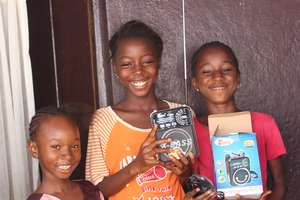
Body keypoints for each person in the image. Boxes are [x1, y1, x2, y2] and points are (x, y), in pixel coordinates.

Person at [85, 20, 194, 200]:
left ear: (158, 64)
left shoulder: (181, 114)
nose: (138, 71)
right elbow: (96, 192)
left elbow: (195, 181)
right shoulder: (104, 120)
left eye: (147, 62)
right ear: (115, 69)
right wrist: (137, 165)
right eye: (127, 64)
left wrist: (183, 173)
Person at [191, 41, 286, 200]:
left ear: (238, 77)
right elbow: (191, 183)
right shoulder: (191, 130)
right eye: (207, 71)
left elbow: (280, 184)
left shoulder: (264, 124)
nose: (218, 77)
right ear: (195, 83)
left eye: (227, 69)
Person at [27, 107, 103, 200]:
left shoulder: (90, 190)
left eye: (74, 146)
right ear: (34, 149)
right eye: (56, 147)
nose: (68, 155)